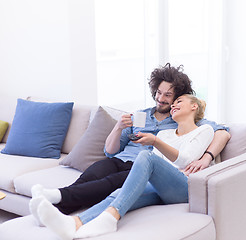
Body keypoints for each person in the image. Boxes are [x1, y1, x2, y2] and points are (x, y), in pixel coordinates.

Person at [30, 63, 230, 222]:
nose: (161, 99)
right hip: (119, 159)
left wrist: (207, 157)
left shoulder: (181, 118)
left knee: (107, 184)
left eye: (168, 95)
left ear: (178, 99)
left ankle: (54, 203)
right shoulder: (140, 115)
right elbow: (109, 151)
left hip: (141, 168)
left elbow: (223, 132)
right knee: (92, 174)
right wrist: (118, 127)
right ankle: (55, 209)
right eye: (159, 93)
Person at [33, 94, 216, 240]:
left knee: (146, 156)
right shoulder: (165, 133)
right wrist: (156, 140)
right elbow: (159, 165)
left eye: (179, 101)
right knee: (122, 192)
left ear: (194, 106)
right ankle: (75, 223)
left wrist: (155, 141)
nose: (173, 105)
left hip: (183, 187)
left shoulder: (205, 130)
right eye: (173, 103)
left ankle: (106, 217)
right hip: (161, 188)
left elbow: (184, 160)